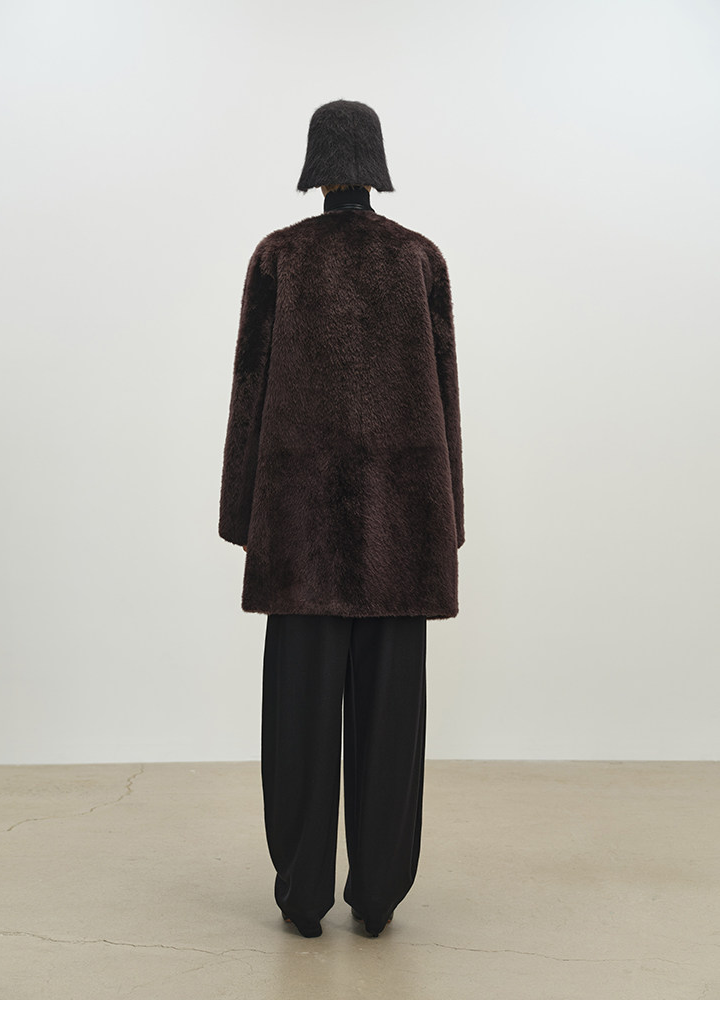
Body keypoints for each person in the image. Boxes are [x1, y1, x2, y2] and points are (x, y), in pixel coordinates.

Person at [217, 99, 464, 938]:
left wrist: (242, 517)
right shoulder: (420, 259)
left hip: (298, 535)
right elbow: (447, 400)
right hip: (405, 528)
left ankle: (303, 897)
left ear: (316, 166)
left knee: (299, 719)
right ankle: (379, 896)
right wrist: (445, 522)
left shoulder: (279, 257)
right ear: (377, 166)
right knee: (391, 726)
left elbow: (248, 394)